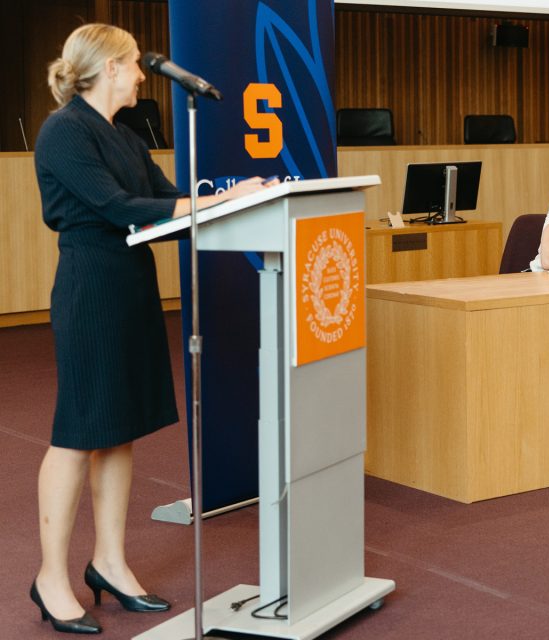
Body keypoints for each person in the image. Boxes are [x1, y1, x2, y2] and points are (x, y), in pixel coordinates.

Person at [31, 24, 276, 635]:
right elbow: (116, 208)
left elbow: (166, 201)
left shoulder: (124, 134)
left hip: (131, 285)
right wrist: (213, 202)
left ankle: (109, 561)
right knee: (79, 431)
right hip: (91, 290)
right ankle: (49, 577)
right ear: (109, 67)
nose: (144, 74)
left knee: (119, 428)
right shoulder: (63, 131)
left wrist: (232, 200)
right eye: (135, 64)